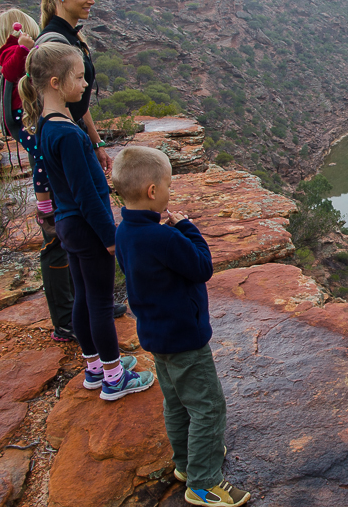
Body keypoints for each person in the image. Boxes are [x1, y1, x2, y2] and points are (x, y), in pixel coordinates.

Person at [112, 146, 249, 506]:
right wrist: (186, 226)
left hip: (156, 336)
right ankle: (203, 483)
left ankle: (188, 464)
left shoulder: (124, 232)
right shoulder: (164, 237)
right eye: (168, 185)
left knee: (176, 403)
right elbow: (203, 267)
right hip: (185, 338)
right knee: (209, 406)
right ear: (153, 192)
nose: (171, 192)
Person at [19, 42, 154, 401]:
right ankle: (114, 376)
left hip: (67, 225)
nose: (83, 84)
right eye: (78, 78)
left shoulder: (47, 126)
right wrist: (109, 237)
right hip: (85, 226)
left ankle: (94, 367)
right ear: (55, 82)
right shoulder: (65, 132)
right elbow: (86, 194)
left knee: (83, 298)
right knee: (100, 302)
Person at [36, 0, 127, 328]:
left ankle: (85, 313)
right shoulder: (54, 42)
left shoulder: (70, 36)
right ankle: (72, 320)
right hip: (63, 145)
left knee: (72, 231)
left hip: (74, 138)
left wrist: (97, 141)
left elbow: (80, 102)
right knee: (68, 230)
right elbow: (52, 103)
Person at [0, 9, 79, 341]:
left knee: (68, 235)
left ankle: (79, 307)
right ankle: (64, 320)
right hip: (42, 150)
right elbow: (15, 70)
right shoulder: (15, 58)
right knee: (56, 239)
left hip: (42, 143)